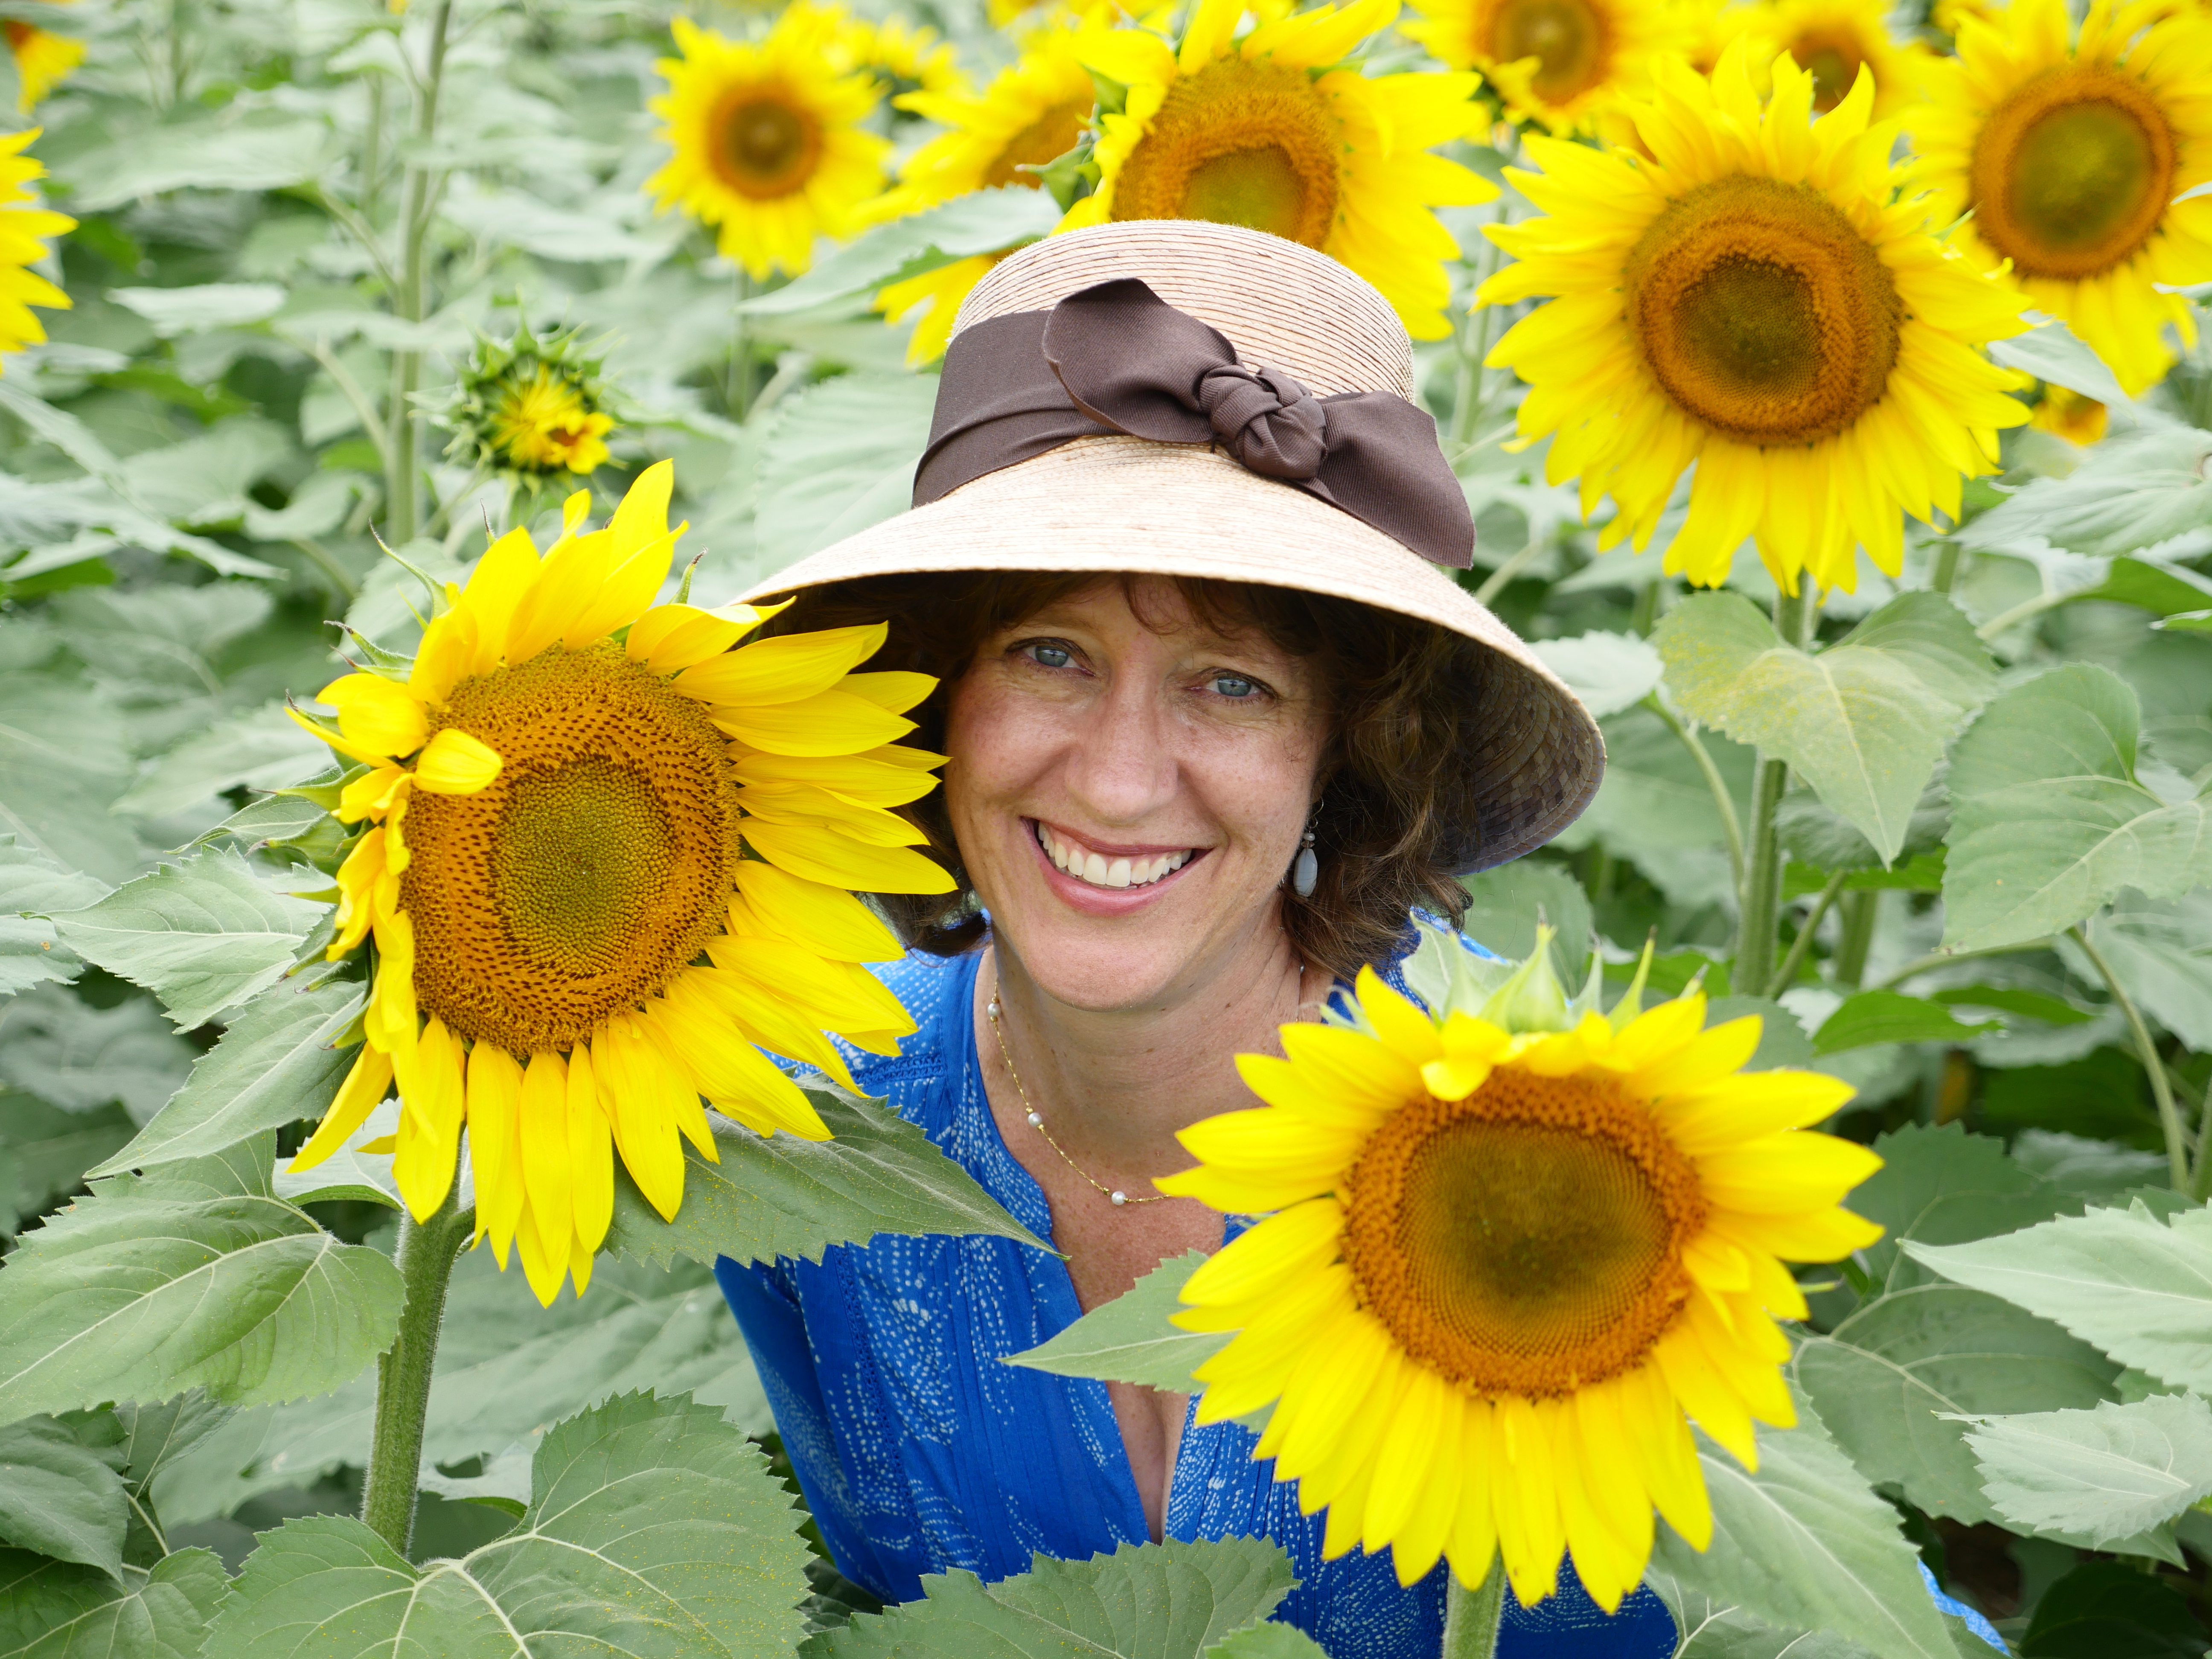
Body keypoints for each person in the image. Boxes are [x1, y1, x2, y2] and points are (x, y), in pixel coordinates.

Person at [711, 219, 1667, 1657]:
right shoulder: (798, 1121)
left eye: (1230, 685)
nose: (1115, 779)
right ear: (933, 703)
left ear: (1345, 755)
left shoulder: (1557, 1160)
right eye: (1049, 654)